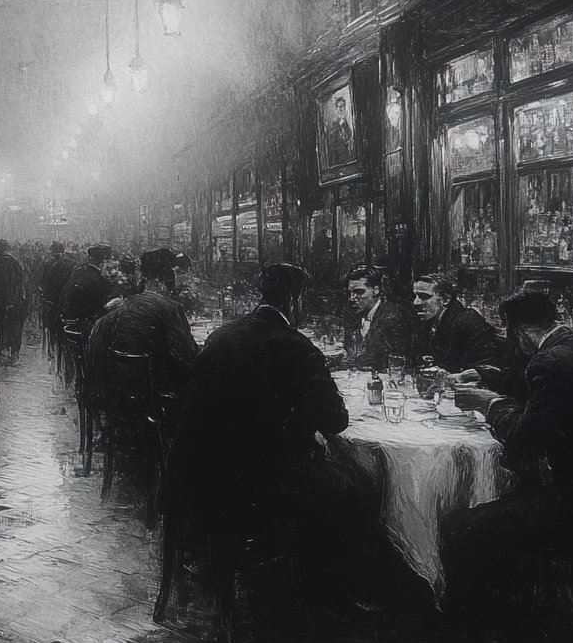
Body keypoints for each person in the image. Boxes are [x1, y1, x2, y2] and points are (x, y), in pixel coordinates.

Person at [166, 263, 426, 614]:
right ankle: (342, 587)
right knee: (360, 485)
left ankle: (306, 570)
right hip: (254, 482)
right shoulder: (295, 346)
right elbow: (336, 421)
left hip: (196, 472)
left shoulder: (223, 335)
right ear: (295, 300)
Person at [441, 290, 573, 625]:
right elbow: (537, 390)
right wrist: (486, 376)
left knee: (458, 527)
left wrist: (488, 404)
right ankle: (519, 611)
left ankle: (477, 633)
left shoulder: (549, 362)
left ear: (518, 332)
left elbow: (524, 444)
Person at [83, 248, 199, 406]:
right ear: (164, 278)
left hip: (120, 394)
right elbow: (188, 356)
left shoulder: (125, 305)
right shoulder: (171, 308)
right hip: (155, 399)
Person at [410, 273, 505, 373]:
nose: (416, 302)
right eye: (415, 296)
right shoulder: (424, 322)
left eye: (424, 296)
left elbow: (485, 369)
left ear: (445, 299)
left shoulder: (469, 321)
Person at [344, 265, 413, 372]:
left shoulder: (393, 316)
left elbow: (390, 359)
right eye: (350, 293)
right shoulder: (355, 313)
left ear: (375, 290)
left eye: (359, 292)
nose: (352, 298)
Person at [0, 239, 29, 361]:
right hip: (13, 299)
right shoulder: (14, 261)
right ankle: (15, 352)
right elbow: (21, 279)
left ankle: (0, 349)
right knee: (16, 325)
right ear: (7, 248)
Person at [61, 244, 116, 323]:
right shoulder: (98, 279)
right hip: (86, 322)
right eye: (108, 261)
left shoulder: (79, 270)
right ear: (102, 262)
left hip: (68, 317)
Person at [324, 94, 355, 167]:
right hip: (339, 158)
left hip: (349, 155)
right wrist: (340, 127)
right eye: (339, 107)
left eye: (343, 106)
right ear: (336, 108)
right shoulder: (334, 123)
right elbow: (331, 142)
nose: (341, 109)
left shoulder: (347, 120)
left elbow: (350, 136)